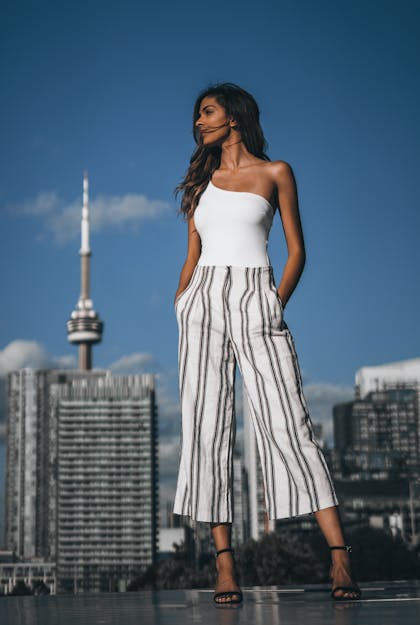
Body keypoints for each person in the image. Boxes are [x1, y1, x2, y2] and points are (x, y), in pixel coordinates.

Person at [172, 82, 361, 605]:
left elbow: (297, 249)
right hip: (203, 304)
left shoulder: (277, 173)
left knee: (289, 422)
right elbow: (193, 253)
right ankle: (225, 566)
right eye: (197, 116)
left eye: (206, 112)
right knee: (205, 429)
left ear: (233, 117)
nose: (198, 123)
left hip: (258, 295)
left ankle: (339, 555)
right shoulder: (199, 184)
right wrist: (182, 299)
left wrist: (274, 302)